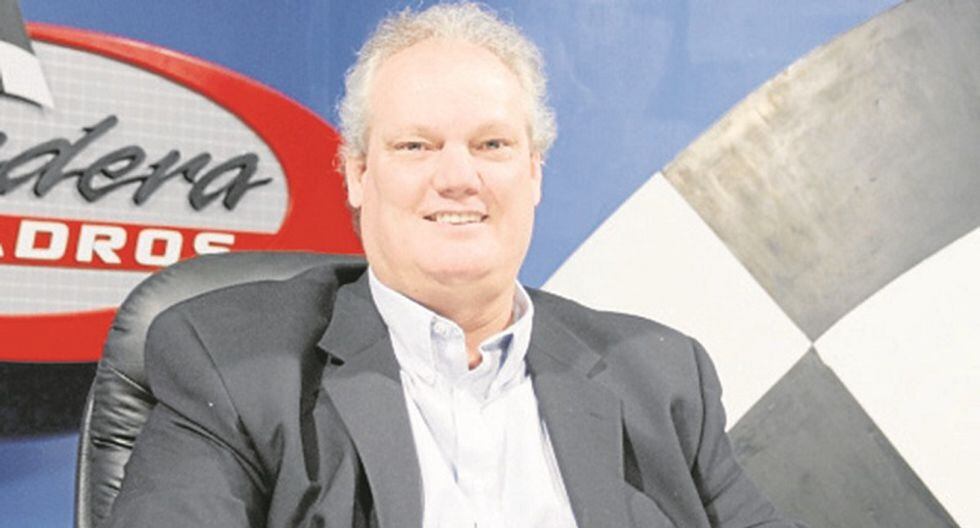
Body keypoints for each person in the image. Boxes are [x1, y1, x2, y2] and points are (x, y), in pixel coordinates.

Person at [108, 3, 801, 527]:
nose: (458, 178)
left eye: (492, 145)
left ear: (534, 172)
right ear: (357, 173)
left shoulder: (660, 377)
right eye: (416, 146)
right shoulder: (234, 365)